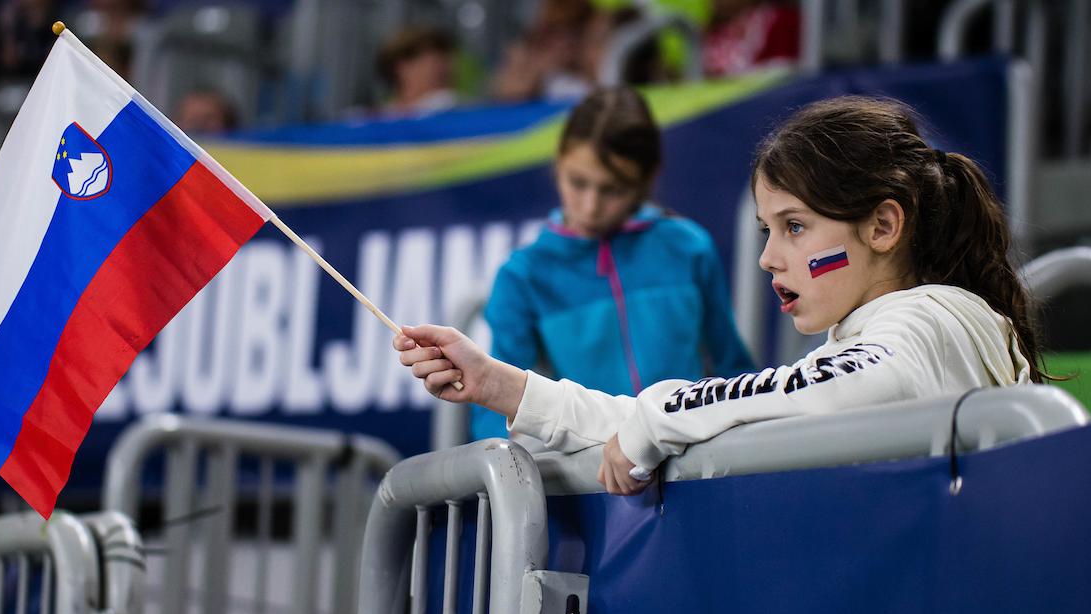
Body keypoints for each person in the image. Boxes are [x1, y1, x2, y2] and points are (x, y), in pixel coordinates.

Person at [396, 95, 1041, 494]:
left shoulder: (928, 317)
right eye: (768, 230)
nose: (768, 257)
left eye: (795, 227)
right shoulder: (893, 330)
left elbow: (833, 389)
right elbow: (732, 412)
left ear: (882, 226)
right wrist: (502, 386)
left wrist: (663, 414)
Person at [471, 86, 753, 439]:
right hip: (589, 472)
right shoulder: (523, 277)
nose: (590, 206)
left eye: (612, 189)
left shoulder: (687, 247)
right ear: (558, 164)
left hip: (692, 459)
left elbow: (734, 369)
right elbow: (494, 414)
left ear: (646, 180)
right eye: (578, 182)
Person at [375, 25, 459, 116]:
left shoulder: (451, 106)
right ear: (402, 66)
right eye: (435, 62)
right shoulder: (381, 116)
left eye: (446, 62)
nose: (446, 69)